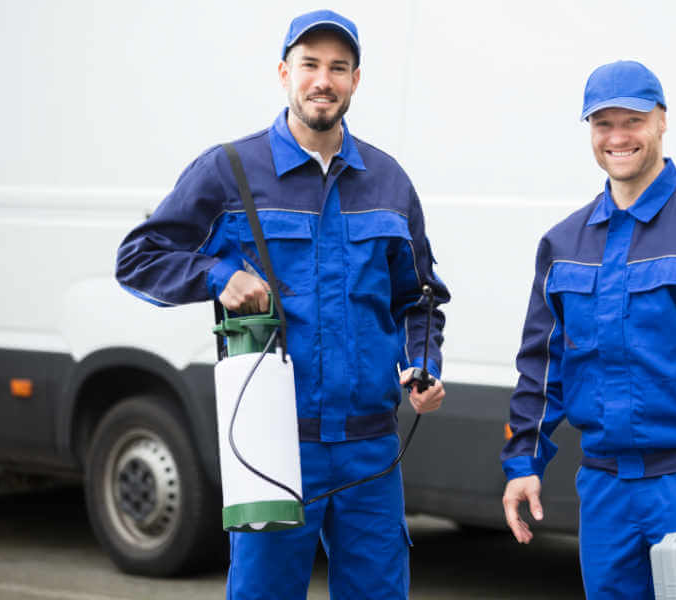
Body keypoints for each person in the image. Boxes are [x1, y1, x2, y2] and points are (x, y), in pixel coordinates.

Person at [116, 9, 448, 599]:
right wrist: (218, 274)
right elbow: (138, 259)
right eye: (310, 65)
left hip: (370, 451)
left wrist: (423, 364)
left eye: (338, 68)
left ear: (355, 80)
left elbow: (420, 298)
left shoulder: (389, 183)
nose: (324, 80)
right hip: (273, 444)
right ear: (284, 73)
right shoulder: (231, 171)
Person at [500, 60, 676, 599]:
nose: (617, 137)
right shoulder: (563, 245)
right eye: (602, 124)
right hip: (604, 489)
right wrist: (523, 461)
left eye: (631, 120)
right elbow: (541, 366)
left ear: (661, 121)